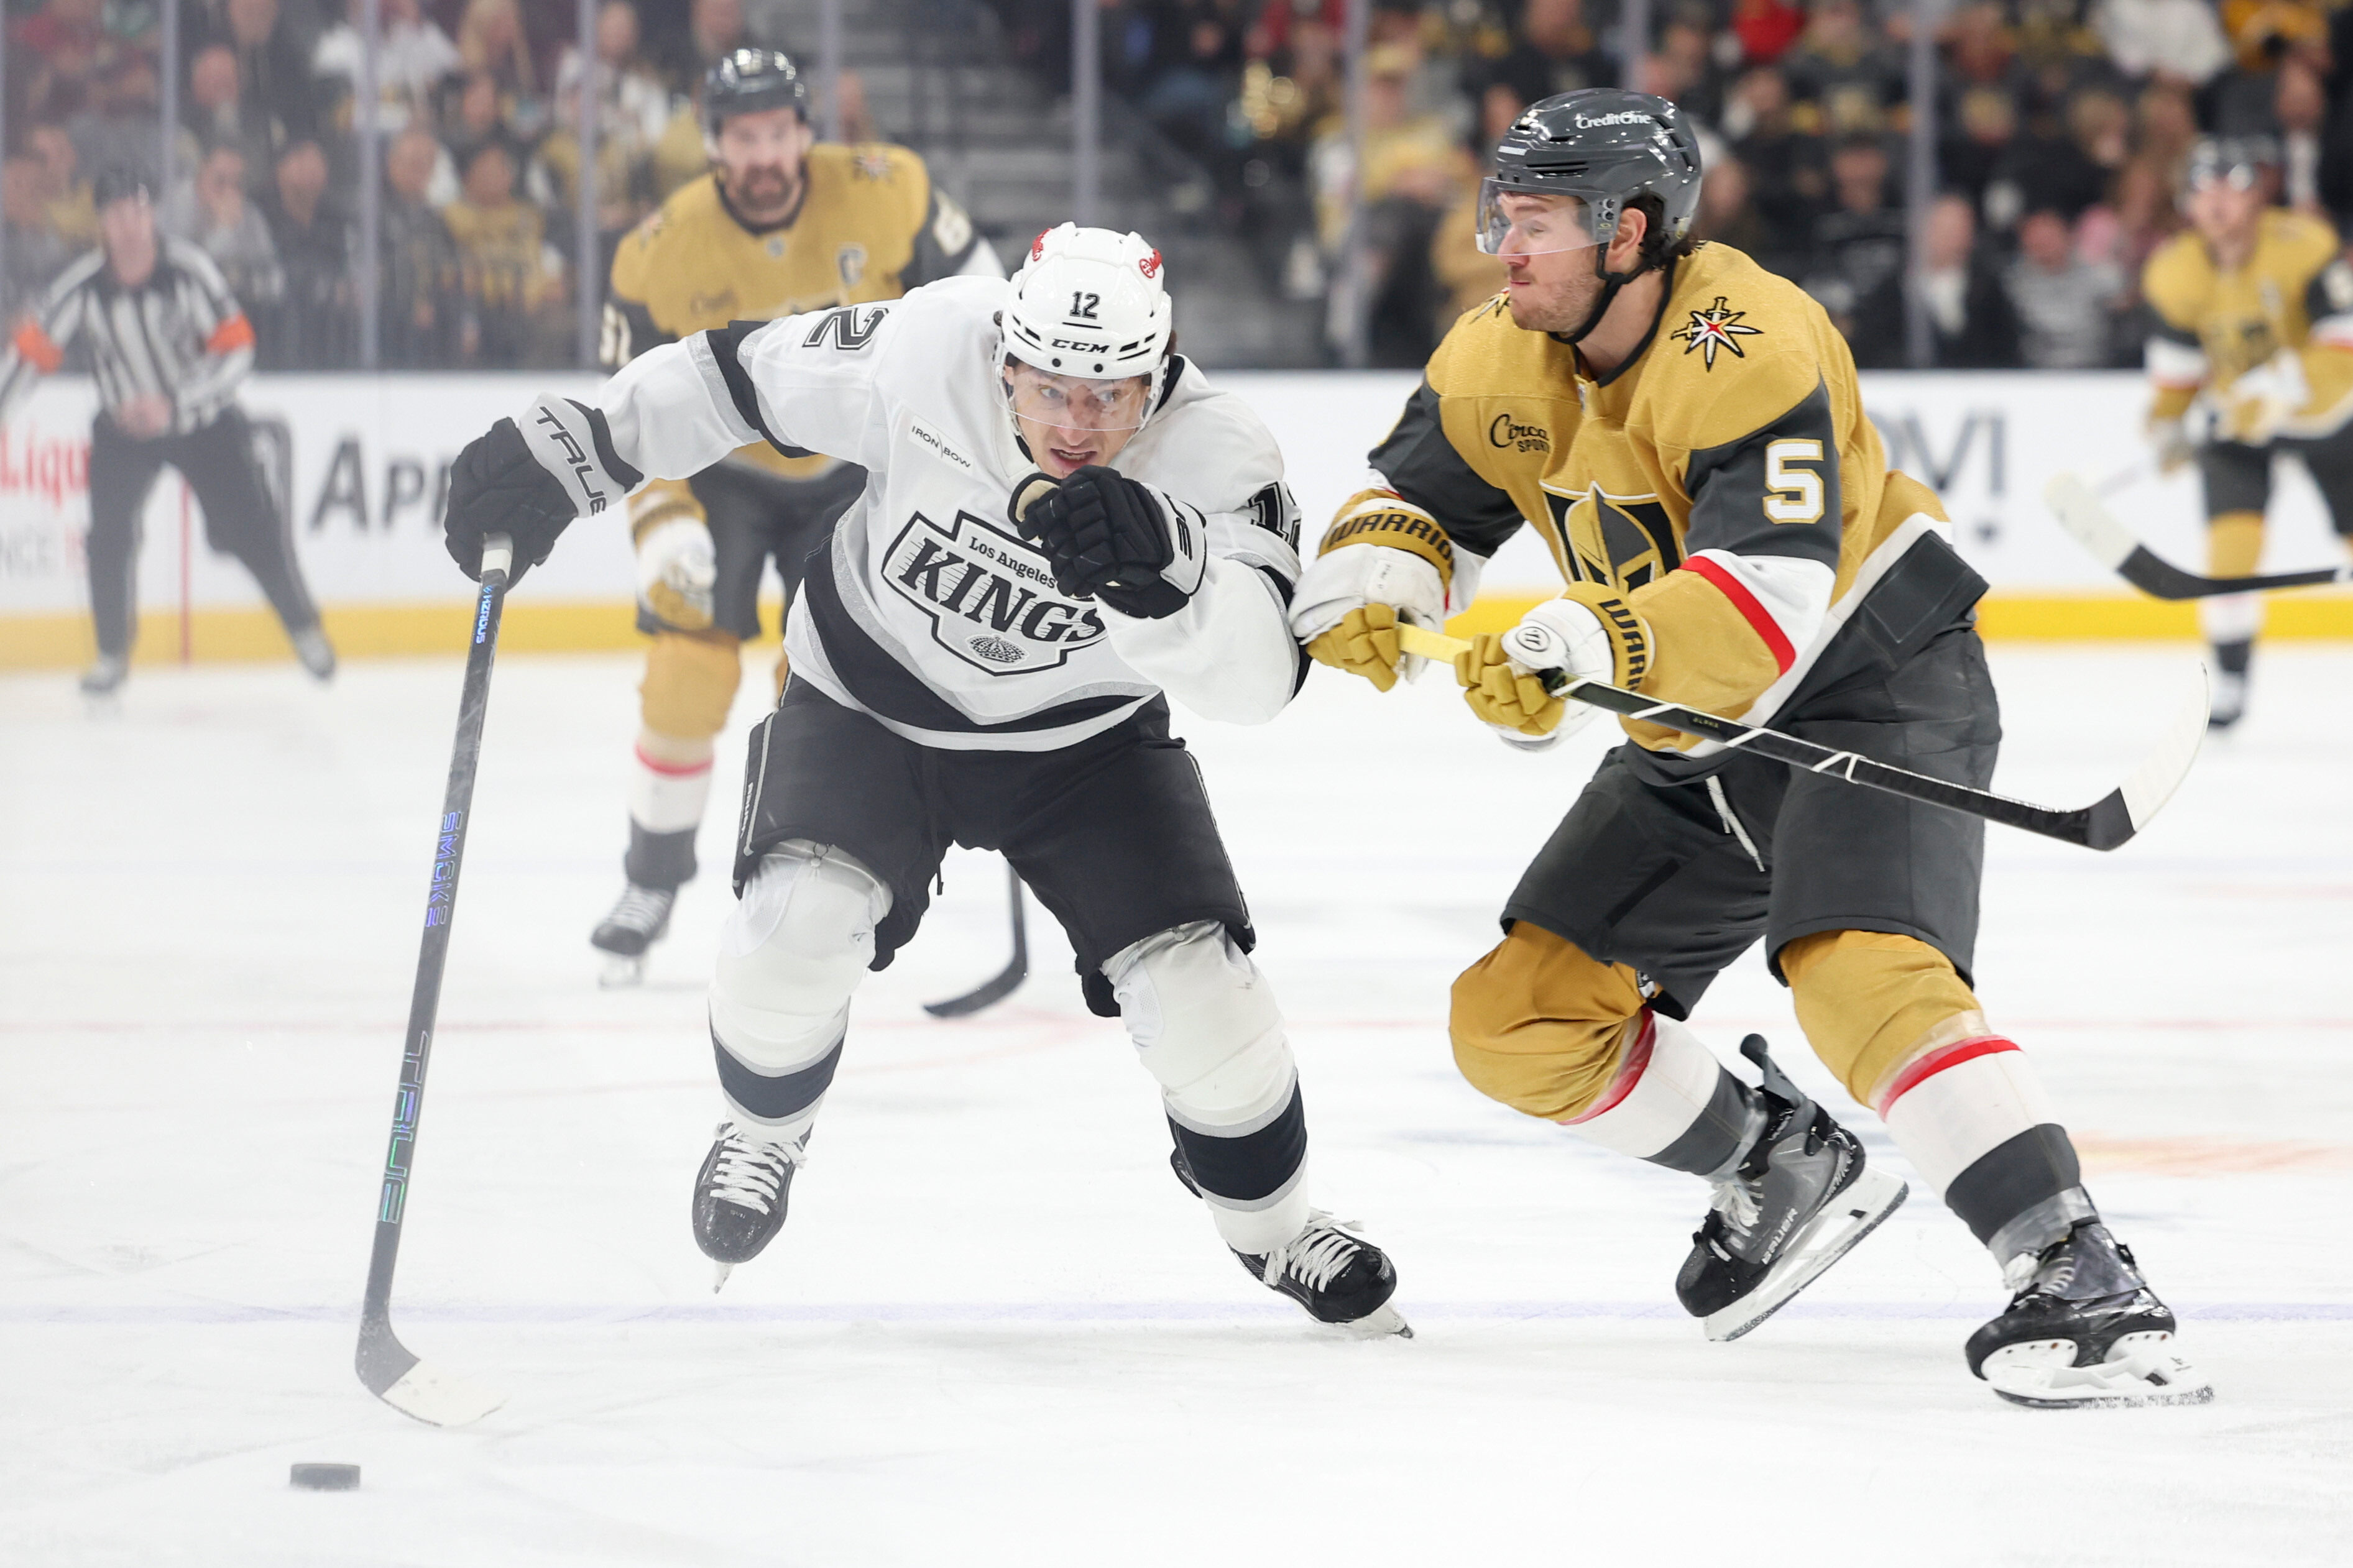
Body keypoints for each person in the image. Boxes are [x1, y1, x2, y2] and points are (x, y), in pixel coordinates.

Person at [1287, 89, 2209, 1406]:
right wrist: (1382, 581)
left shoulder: (1747, 336)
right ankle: (1774, 1161)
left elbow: (1766, 602)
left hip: (1865, 679)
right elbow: (1410, 504)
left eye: (1535, 222)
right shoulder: (1501, 351)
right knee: (1514, 1021)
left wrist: (1575, 642)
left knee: (1855, 974)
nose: (1501, 247)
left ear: (1631, 231)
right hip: (1693, 725)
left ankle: (2075, 1268)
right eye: (1501, 213)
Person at [437, 222, 1409, 1336]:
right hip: (871, 701)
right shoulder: (927, 345)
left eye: (1112, 396)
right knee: (791, 938)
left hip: (1080, 750)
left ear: (1161, 370)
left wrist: (1173, 573)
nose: (1079, 426)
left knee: (1208, 1013)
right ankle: (763, 1130)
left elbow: (1261, 682)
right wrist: (583, 445)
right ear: (1005, 358)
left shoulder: (1221, 456)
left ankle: (1276, 1226)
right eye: (1050, 391)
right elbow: (737, 377)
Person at [586, 48, 1002, 984]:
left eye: (780, 132)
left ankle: (798, 882)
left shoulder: (889, 190)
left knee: (821, 686)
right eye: (744, 136)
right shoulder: (657, 252)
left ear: (807, 130)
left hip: (858, 469)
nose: (765, 153)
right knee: (687, 672)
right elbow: (629, 407)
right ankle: (650, 882)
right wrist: (662, 522)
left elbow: (991, 314)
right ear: (714, 143)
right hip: (723, 477)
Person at [0, 168, 333, 695]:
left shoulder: (188, 271)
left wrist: (176, 402)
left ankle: (303, 626)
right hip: (122, 430)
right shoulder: (84, 286)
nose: (129, 226)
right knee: (108, 538)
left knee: (253, 530)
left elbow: (238, 347)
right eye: (115, 215)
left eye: (137, 212)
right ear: (102, 225)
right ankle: (111, 653)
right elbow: (31, 355)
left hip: (202, 424)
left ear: (152, 215)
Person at [2141, 135, 2353, 730]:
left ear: (2255, 196)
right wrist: (2166, 423)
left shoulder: (2305, 246)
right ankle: (2230, 677)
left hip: (2329, 418)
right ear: (2186, 204)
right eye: (2202, 193)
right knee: (2230, 552)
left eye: (2228, 191)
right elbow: (2179, 371)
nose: (2215, 206)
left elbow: (2342, 351)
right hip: (2236, 427)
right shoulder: (2174, 271)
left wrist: (2270, 393)